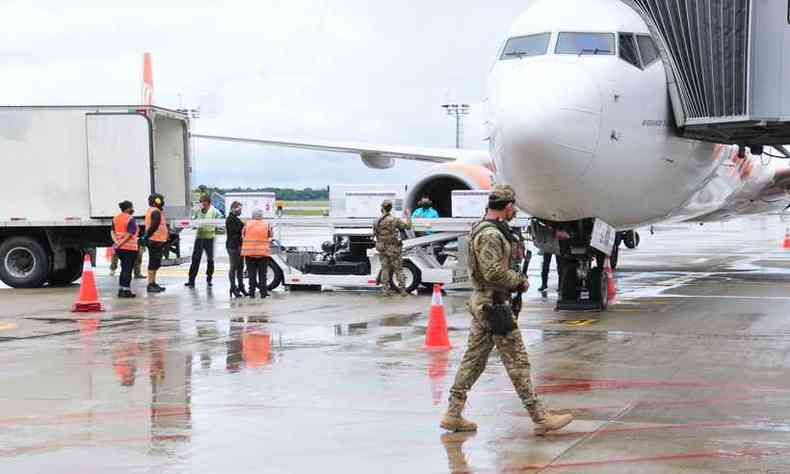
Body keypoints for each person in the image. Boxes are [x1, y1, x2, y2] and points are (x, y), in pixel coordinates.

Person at [441, 185, 573, 435]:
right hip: (494, 306)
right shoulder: (491, 234)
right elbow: (493, 272)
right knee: (517, 361)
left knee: (474, 360)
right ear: (508, 206)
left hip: (487, 303)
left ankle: (453, 413)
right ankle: (540, 417)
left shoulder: (487, 228)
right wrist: (519, 281)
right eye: (514, 207)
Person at [373, 200, 412, 296]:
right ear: (390, 208)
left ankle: (385, 290)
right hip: (393, 248)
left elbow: (375, 234)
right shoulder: (394, 220)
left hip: (381, 247)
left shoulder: (376, 221)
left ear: (382, 208)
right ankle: (402, 290)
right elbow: (408, 226)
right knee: (398, 269)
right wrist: (408, 216)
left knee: (384, 269)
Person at [186, 194, 222, 288]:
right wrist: (195, 212)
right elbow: (192, 221)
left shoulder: (215, 211)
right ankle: (191, 280)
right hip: (199, 237)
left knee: (210, 259)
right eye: (201, 202)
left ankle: (209, 278)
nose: (201, 204)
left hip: (209, 238)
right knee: (195, 258)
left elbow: (220, 223)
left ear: (208, 202)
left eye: (203, 202)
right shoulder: (198, 210)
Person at [241, 209, 272, 299]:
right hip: (262, 253)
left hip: (249, 253)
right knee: (262, 274)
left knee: (252, 274)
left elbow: (242, 234)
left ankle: (251, 293)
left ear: (253, 215)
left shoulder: (247, 224)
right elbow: (270, 235)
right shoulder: (266, 224)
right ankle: (263, 292)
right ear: (261, 216)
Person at [111, 200, 139, 298]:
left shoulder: (115, 218)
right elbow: (130, 234)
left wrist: (117, 243)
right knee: (127, 269)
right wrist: (121, 243)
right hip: (129, 248)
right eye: (131, 207)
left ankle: (121, 289)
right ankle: (126, 290)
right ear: (128, 208)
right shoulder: (130, 219)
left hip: (120, 249)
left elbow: (112, 232)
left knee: (124, 268)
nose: (133, 209)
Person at [144, 193, 168, 294]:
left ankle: (153, 283)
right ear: (156, 201)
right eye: (161, 200)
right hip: (155, 241)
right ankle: (150, 284)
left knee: (155, 262)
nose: (162, 202)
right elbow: (153, 226)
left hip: (156, 240)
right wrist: (146, 236)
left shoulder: (154, 211)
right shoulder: (155, 212)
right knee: (153, 262)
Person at [226, 200, 247, 298]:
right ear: (234, 209)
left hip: (239, 246)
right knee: (234, 267)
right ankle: (233, 287)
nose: (241, 211)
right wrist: (243, 225)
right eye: (239, 209)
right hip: (233, 246)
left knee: (240, 267)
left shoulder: (236, 219)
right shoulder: (230, 219)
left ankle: (241, 286)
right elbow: (235, 230)